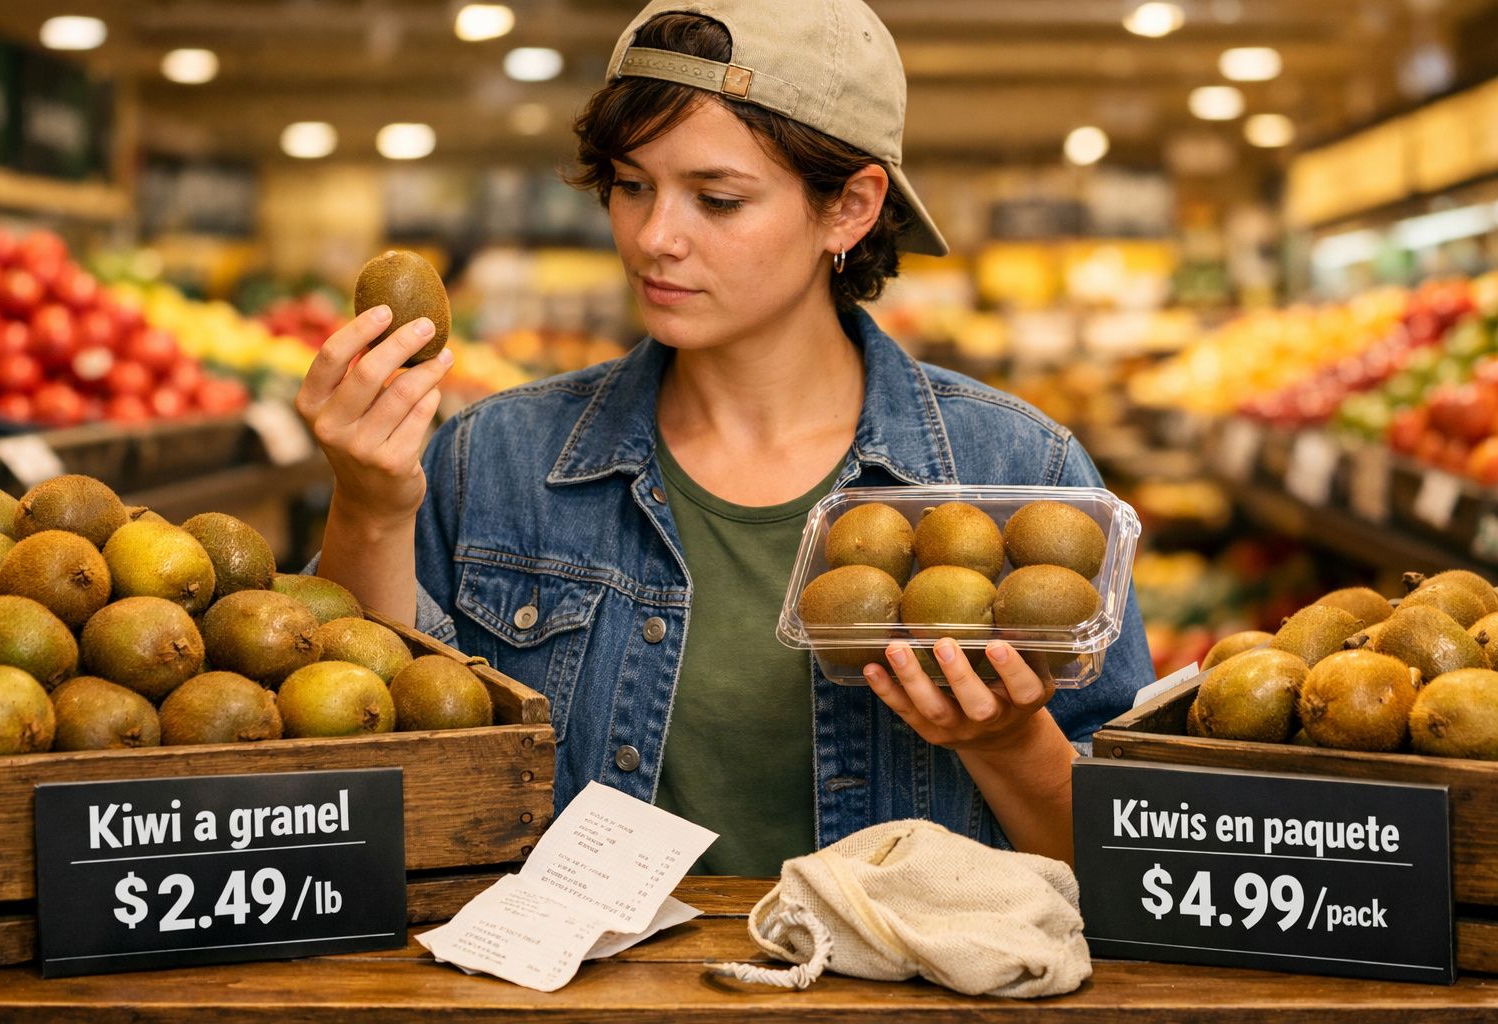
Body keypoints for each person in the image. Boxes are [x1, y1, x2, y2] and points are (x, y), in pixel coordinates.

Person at [295, 0, 1155, 874]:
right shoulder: (497, 456)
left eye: (716, 198)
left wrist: (1009, 742)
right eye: (632, 186)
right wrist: (369, 508)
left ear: (850, 207)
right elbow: (367, 783)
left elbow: (1136, 871)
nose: (653, 238)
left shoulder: (1019, 471)